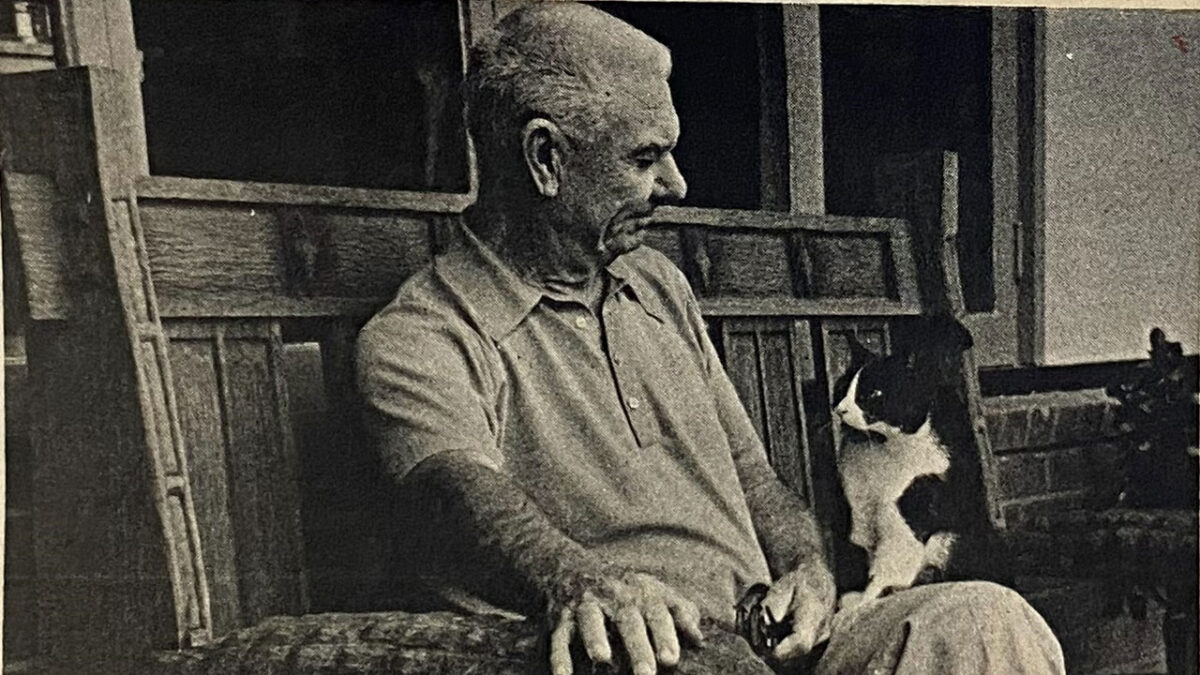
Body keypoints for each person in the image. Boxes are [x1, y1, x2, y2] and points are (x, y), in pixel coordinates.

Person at [356, 4, 1066, 674]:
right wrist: (584, 582)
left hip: (773, 646)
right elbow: (458, 494)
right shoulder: (425, 337)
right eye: (644, 158)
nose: (677, 182)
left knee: (988, 620)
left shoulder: (658, 287)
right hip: (657, 657)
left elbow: (756, 481)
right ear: (546, 159)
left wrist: (808, 570)